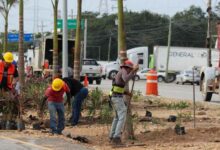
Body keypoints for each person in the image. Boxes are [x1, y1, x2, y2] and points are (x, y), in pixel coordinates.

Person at [109, 59, 139, 145]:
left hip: (115, 97)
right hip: (117, 98)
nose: (129, 71)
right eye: (130, 69)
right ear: (127, 67)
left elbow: (118, 87)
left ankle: (112, 136)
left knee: (117, 118)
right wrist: (133, 71)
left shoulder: (122, 71)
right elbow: (126, 79)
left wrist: (127, 93)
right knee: (122, 116)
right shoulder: (124, 71)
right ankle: (116, 138)